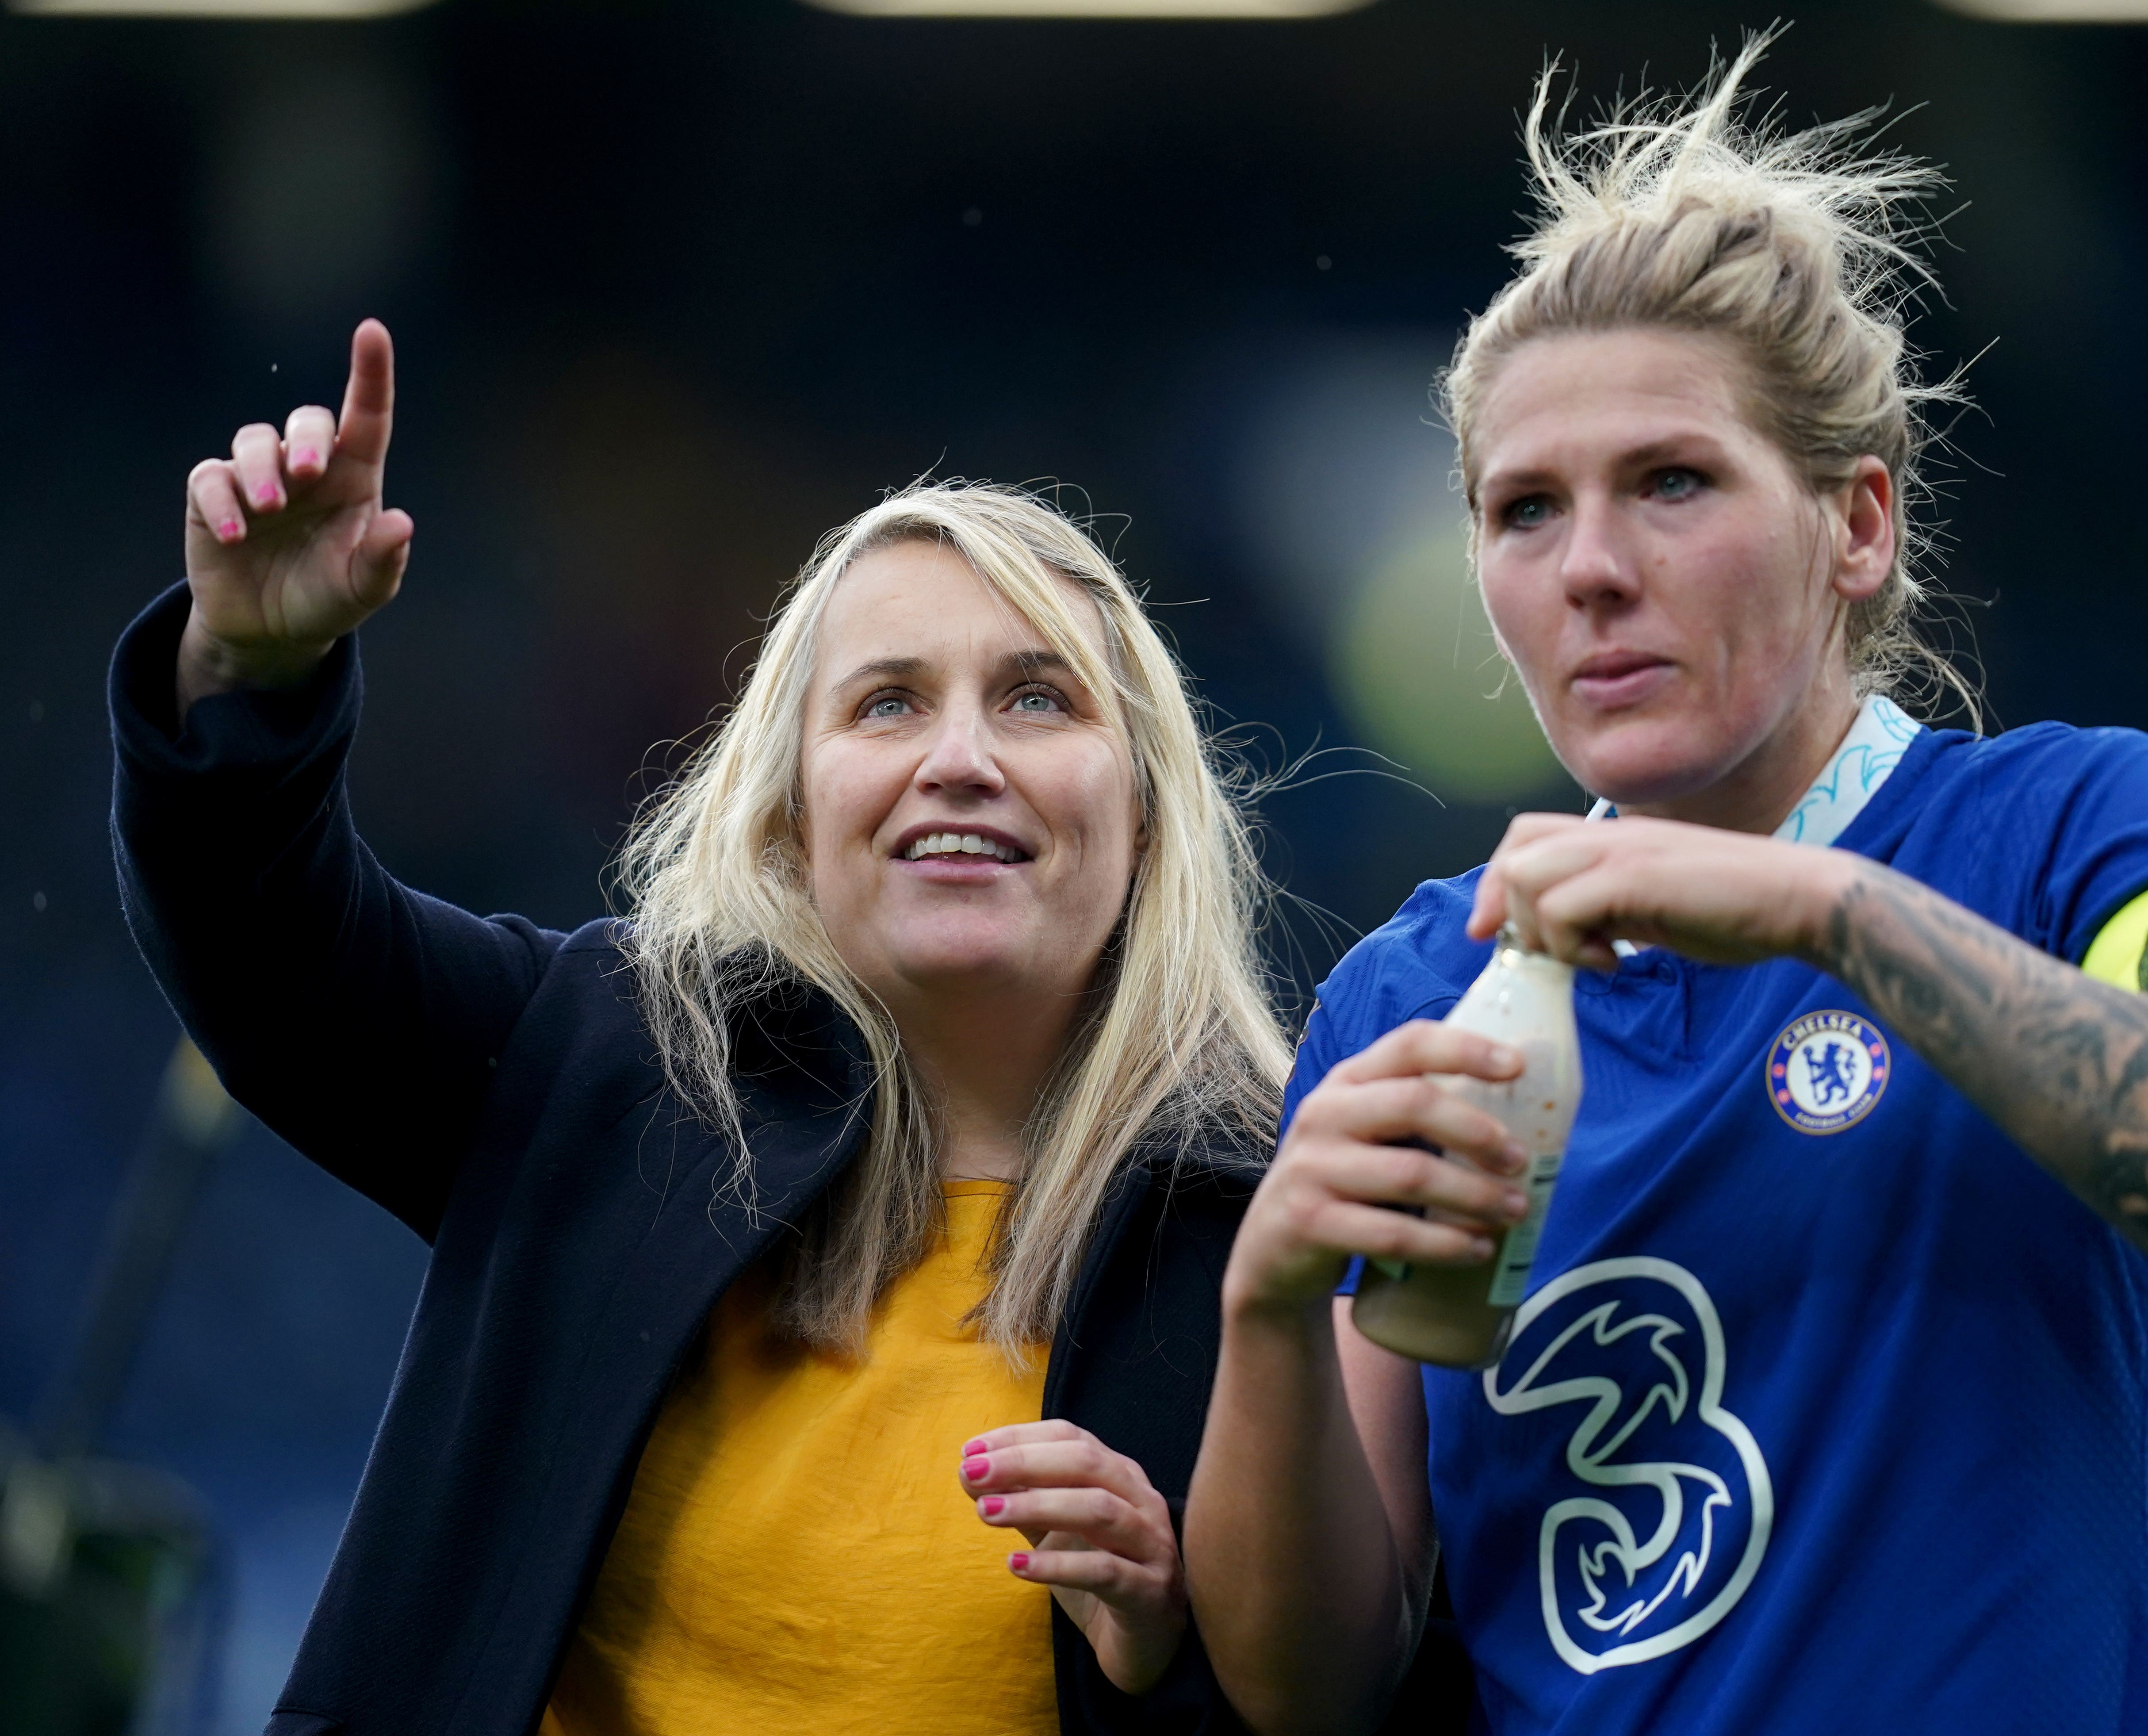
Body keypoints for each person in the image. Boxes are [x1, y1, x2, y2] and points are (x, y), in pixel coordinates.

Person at [1185, 43, 2148, 1736]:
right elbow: (1310, 1685)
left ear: (1860, 527)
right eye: (1524, 511)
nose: (1594, 568)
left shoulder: (2074, 831)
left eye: (1672, 482)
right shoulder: (1410, 993)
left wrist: (1830, 912)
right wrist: (1266, 1309)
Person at [110, 321, 1289, 1736]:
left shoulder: (1279, 1236)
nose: (961, 759)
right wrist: (248, 671)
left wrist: (1176, 1645)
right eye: (888, 702)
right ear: (793, 816)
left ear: (1148, 812)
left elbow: (1386, 1683)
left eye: (1038, 699)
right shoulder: (610, 1066)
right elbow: (269, 952)